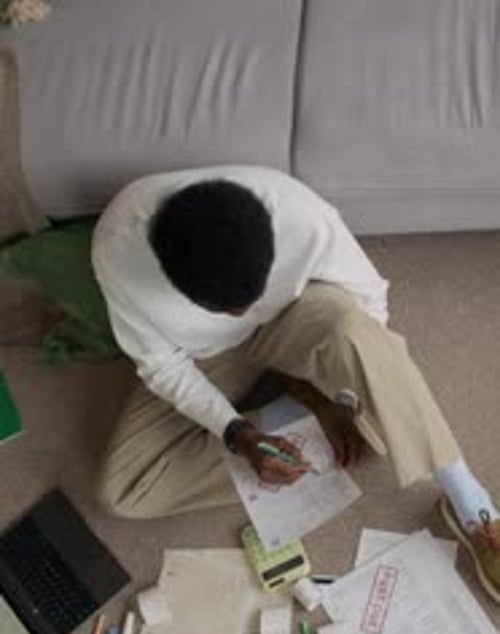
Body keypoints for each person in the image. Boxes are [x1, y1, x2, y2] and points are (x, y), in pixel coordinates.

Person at [91, 166, 500, 603]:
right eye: (223, 307)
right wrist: (237, 433)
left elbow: (369, 308)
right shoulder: (117, 253)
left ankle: (474, 507)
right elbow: (164, 367)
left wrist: (336, 399)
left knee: (357, 333)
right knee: (124, 492)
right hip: (208, 356)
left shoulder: (298, 212)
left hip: (296, 321)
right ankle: (313, 415)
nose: (242, 312)